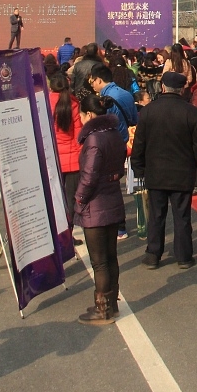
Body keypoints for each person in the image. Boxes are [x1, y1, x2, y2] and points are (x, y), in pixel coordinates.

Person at [131, 71, 197, 269]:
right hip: (182, 172)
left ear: (163, 87)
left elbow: (139, 143)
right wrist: (194, 162)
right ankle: (184, 256)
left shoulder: (148, 111)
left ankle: (153, 254)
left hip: (155, 172)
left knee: (156, 215)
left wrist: (138, 168)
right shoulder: (190, 112)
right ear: (182, 89)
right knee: (182, 216)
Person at [74, 93, 127, 325]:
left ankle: (102, 309)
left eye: (81, 115)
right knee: (111, 256)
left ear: (89, 115)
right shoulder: (114, 133)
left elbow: (89, 175)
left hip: (96, 203)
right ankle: (111, 303)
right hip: (113, 197)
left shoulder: (94, 139)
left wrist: (79, 199)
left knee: (100, 261)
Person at [49, 73, 84, 222]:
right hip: (72, 160)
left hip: (52, 158)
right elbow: (78, 135)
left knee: (54, 198)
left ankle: (58, 230)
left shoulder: (44, 103)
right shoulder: (73, 104)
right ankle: (69, 230)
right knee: (71, 200)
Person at [89, 64, 138, 143]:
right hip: (127, 141)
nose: (92, 85)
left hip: (112, 142)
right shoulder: (127, 94)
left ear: (98, 80)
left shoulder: (105, 100)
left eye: (92, 82)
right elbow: (134, 120)